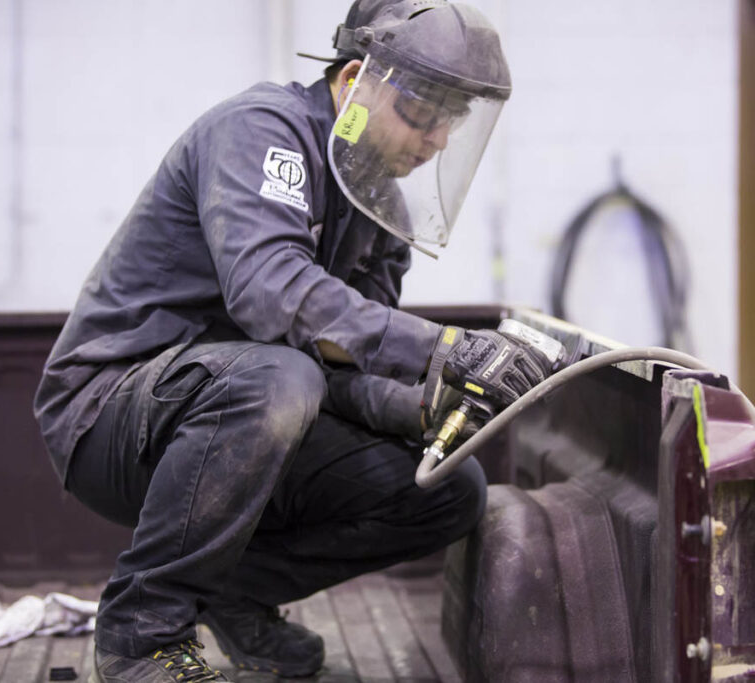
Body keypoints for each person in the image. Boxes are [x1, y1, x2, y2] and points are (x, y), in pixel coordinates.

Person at [34, 1, 553, 681]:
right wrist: (444, 346)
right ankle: (142, 631)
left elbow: (339, 367)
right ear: (356, 79)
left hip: (246, 415)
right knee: (278, 379)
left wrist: (428, 401)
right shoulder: (262, 131)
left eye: (451, 121)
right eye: (423, 112)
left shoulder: (380, 212)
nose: (435, 141)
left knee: (450, 492)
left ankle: (236, 588)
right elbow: (269, 291)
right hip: (109, 413)